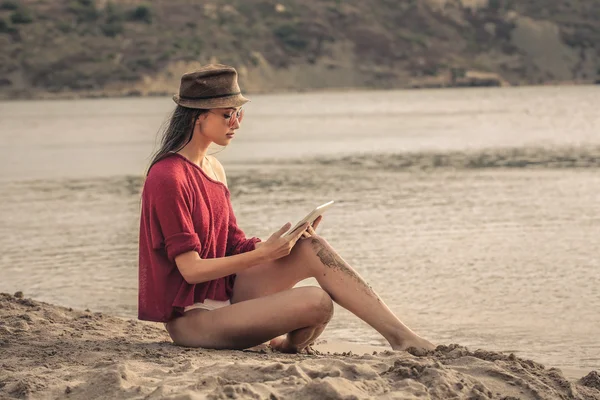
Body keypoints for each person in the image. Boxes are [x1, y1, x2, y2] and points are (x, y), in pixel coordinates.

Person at [138, 64, 435, 354]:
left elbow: (231, 243)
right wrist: (263, 255)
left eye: (239, 113)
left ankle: (402, 337)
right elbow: (190, 270)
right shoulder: (168, 176)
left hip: (227, 292)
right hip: (193, 320)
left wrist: (275, 245)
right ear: (196, 118)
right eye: (228, 115)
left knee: (311, 247)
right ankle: (287, 344)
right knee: (318, 303)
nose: (237, 123)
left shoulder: (214, 167)